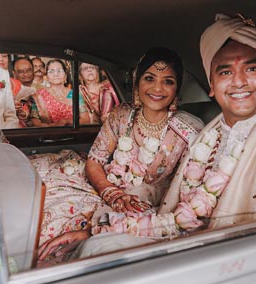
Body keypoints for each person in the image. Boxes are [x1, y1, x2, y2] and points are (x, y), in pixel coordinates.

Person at [61, 14, 256, 258]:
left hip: (252, 268)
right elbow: (181, 220)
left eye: (251, 69)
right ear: (212, 85)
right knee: (94, 250)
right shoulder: (209, 139)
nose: (238, 81)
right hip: (185, 249)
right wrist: (101, 231)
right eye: (226, 71)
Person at [36, 47, 204, 263]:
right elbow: (94, 162)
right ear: (137, 83)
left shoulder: (188, 130)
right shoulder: (122, 114)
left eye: (168, 81)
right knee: (45, 206)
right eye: (149, 78)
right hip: (103, 189)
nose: (157, 88)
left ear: (177, 89)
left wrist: (123, 206)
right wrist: (111, 193)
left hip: (145, 209)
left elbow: (183, 195)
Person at [30, 59, 89, 127]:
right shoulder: (39, 95)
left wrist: (67, 121)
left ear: (65, 75)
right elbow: (34, 121)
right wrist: (49, 127)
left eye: (59, 71)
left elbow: (85, 120)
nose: (56, 74)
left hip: (72, 134)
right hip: (48, 134)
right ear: (47, 77)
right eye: (51, 71)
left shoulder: (74, 95)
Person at [12, 57, 37, 127]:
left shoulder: (42, 89)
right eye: (20, 72)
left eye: (28, 70)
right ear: (14, 73)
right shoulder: (8, 91)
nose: (25, 74)